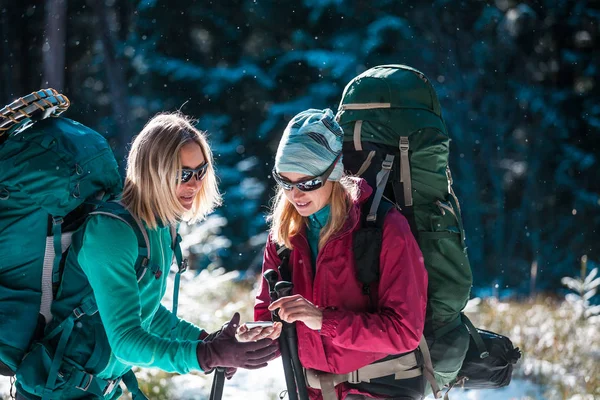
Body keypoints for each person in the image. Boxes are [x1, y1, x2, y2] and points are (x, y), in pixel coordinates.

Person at [15, 113, 279, 399]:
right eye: (182, 174)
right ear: (154, 172)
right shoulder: (111, 233)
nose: (194, 184)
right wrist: (205, 355)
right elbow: (126, 341)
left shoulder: (157, 227)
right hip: (57, 388)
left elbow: (146, 314)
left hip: (93, 388)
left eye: (200, 171)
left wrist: (205, 341)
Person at [253, 109, 429, 400]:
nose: (296, 195)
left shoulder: (384, 228)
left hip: (380, 388)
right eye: (285, 182)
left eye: (308, 183)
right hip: (309, 389)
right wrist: (257, 335)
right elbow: (268, 316)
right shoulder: (284, 234)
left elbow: (404, 331)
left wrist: (324, 320)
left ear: (332, 174)